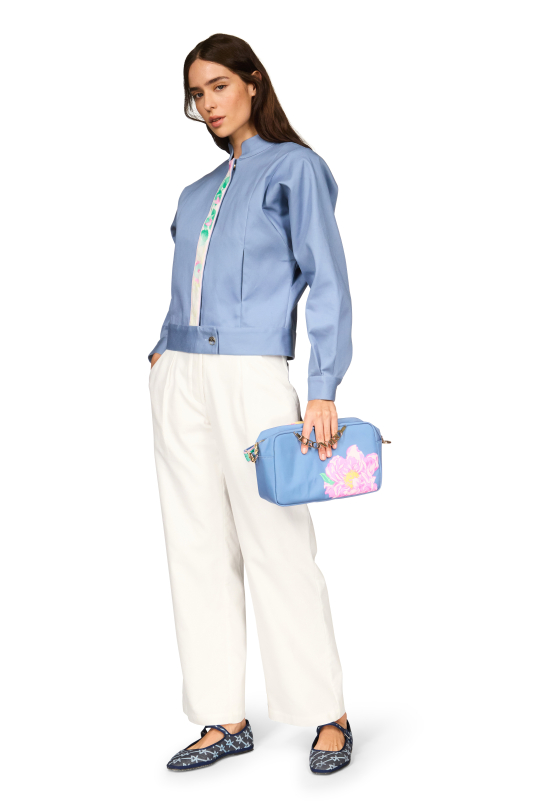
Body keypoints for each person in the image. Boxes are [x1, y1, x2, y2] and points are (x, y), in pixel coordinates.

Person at [148, 33, 354, 775]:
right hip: (181, 377)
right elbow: (187, 283)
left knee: (278, 543)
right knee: (195, 547)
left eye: (218, 86)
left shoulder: (295, 168)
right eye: (196, 94)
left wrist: (323, 387)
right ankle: (222, 716)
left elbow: (328, 280)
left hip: (252, 376)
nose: (207, 104)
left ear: (253, 83)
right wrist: (161, 349)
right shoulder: (195, 192)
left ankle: (326, 712)